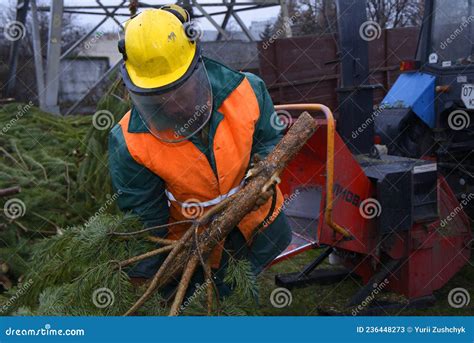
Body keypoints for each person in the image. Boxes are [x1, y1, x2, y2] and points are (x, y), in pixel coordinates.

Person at [108, 5, 292, 298]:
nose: (171, 102)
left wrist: (265, 171)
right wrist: (144, 280)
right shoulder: (130, 142)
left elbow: (271, 140)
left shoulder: (247, 91)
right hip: (195, 247)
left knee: (244, 294)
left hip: (259, 228)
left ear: (196, 64)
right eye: (158, 95)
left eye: (177, 89)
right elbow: (145, 217)